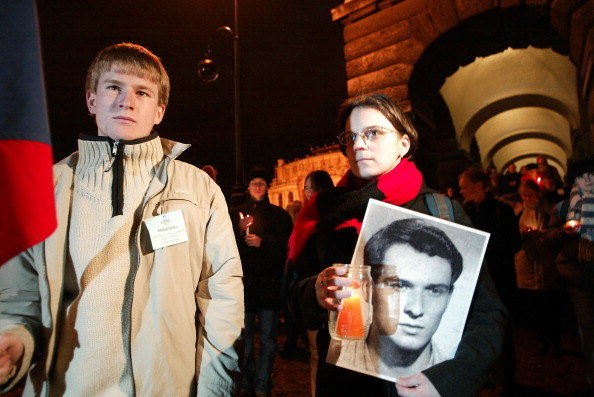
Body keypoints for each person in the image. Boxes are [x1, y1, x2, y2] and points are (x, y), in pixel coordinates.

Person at [0, 43, 244, 396]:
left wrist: (215, 389)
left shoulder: (198, 188)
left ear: (159, 110)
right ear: (91, 100)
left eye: (142, 91)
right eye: (113, 86)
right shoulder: (43, 189)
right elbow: (19, 296)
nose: (126, 100)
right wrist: (16, 342)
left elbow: (222, 297)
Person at [286, 93, 506, 397]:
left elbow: (485, 311)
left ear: (404, 144)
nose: (359, 144)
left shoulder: (441, 211)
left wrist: (446, 380)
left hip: (420, 385)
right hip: (343, 384)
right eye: (351, 136)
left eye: (373, 133)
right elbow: (292, 296)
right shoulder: (323, 213)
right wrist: (315, 291)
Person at [327, 218, 463, 378]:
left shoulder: (455, 378)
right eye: (399, 286)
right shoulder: (338, 362)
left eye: (434, 290)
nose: (416, 309)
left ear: (449, 297)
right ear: (367, 288)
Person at [230, 167, 293, 397]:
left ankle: (263, 385)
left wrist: (262, 243)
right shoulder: (235, 213)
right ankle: (247, 384)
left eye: (262, 183)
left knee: (267, 341)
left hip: (269, 287)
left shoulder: (279, 215)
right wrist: (239, 231)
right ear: (247, 187)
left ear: (267, 187)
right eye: (254, 183)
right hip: (244, 288)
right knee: (244, 344)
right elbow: (226, 247)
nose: (258, 187)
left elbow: (286, 247)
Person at [458, 168, 521, 393]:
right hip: (472, 280)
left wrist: (487, 250)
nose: (461, 191)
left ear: (478, 186)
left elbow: (514, 243)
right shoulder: (463, 211)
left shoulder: (502, 211)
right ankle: (485, 374)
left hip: (499, 277)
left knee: (501, 328)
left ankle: (506, 377)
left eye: (465, 186)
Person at [544, 157, 594, 391]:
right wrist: (565, 231)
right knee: (587, 326)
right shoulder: (563, 208)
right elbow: (550, 237)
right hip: (578, 276)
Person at [514, 179, 563, 356]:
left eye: (531, 195)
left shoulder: (550, 210)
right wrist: (523, 234)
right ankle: (541, 340)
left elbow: (558, 232)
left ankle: (555, 341)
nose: (528, 198)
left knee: (551, 305)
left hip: (547, 261)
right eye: (524, 195)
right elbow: (511, 234)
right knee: (536, 307)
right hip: (527, 260)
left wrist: (541, 235)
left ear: (538, 194)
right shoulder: (517, 211)